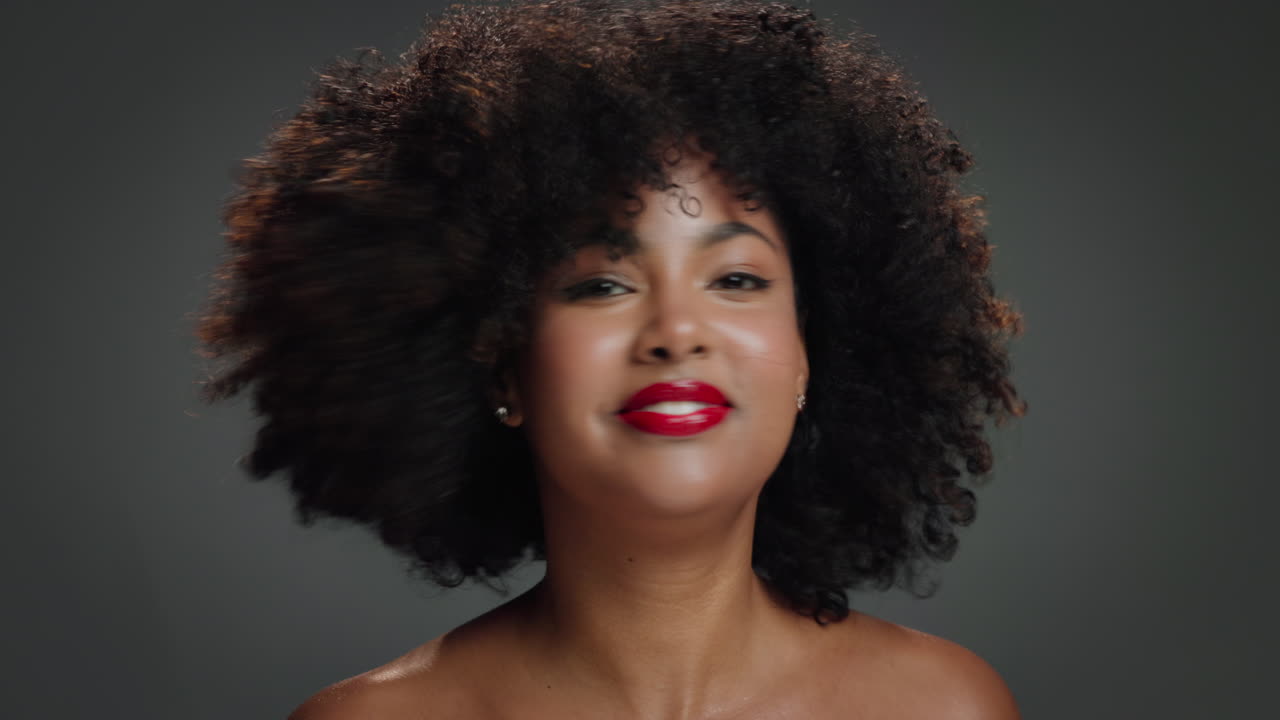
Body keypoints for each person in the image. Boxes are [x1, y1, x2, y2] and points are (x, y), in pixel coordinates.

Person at [195, 1, 1027, 717]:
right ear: (501, 368)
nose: (676, 331)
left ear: (813, 355)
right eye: (600, 284)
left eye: (735, 278)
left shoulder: (943, 707)